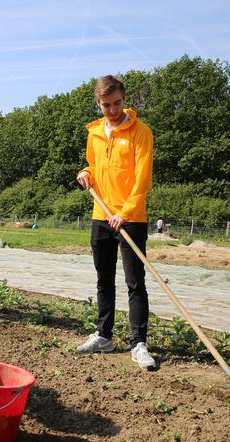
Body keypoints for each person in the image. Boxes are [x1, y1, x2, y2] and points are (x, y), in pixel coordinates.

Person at [75, 75, 156, 370]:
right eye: (106, 105)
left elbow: (142, 177)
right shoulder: (95, 132)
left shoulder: (140, 132)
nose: (113, 110)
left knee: (135, 282)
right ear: (98, 103)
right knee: (103, 279)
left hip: (130, 217)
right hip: (101, 214)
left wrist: (127, 210)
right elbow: (94, 166)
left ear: (124, 99)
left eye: (117, 103)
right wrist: (85, 173)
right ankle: (104, 335)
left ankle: (138, 343)